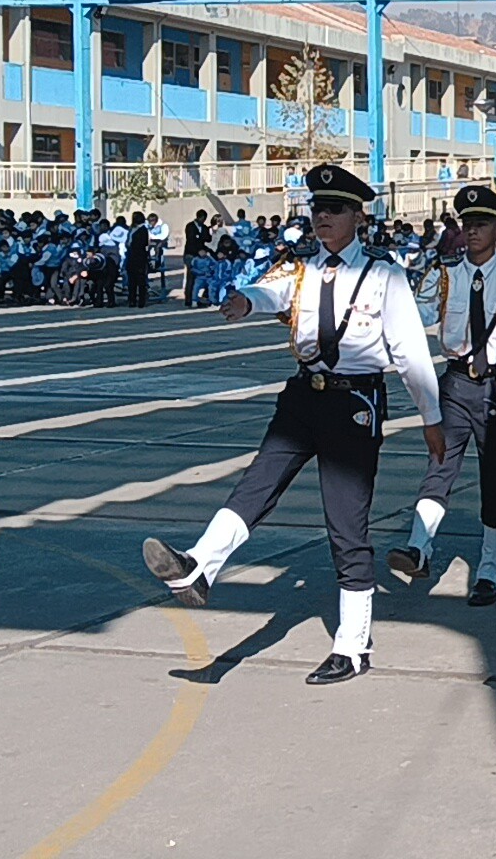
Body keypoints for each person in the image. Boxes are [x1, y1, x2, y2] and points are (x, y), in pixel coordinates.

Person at [141, 164, 445, 686]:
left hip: (355, 403)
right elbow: (270, 293)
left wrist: (431, 417)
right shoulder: (300, 268)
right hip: (305, 395)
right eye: (317, 209)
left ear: (358, 216)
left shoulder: (384, 275)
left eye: (335, 209)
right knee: (256, 483)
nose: (323, 217)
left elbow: (411, 353)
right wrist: (245, 300)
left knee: (346, 523)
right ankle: (199, 567)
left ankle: (352, 646)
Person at [388, 185, 496, 608]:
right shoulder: (445, 275)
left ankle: (489, 571)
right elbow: (412, 317)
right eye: (467, 224)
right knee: (439, 464)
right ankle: (419, 548)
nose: (472, 231)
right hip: (455, 383)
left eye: (482, 224)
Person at [182, 210, 212, 307]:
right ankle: (189, 299)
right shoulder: (190, 226)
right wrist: (199, 240)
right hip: (191, 254)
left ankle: (197, 297)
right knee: (191, 276)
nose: (202, 221)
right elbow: (191, 239)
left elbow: (208, 238)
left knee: (201, 277)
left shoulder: (204, 228)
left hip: (201, 255)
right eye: (202, 219)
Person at [125, 212, 152, 307]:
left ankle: (141, 300)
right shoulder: (131, 229)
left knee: (140, 280)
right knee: (131, 280)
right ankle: (132, 300)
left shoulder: (143, 230)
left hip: (140, 256)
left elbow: (143, 243)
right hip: (131, 255)